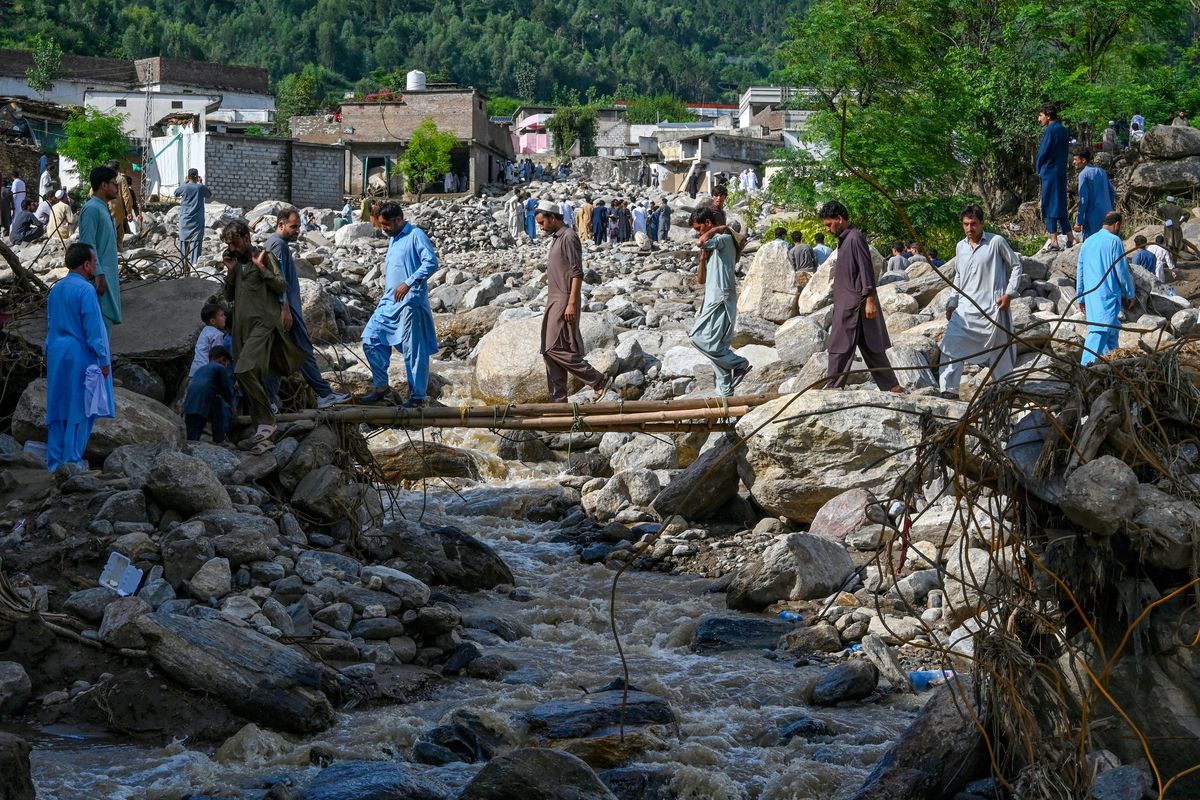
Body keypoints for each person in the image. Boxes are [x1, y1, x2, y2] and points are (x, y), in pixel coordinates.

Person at [221, 219, 306, 453]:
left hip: (263, 326)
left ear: (246, 239)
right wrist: (230, 272)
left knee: (243, 369)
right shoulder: (237, 263)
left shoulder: (265, 257)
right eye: (230, 245)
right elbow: (228, 295)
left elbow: (281, 286)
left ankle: (267, 420)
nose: (233, 249)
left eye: (236, 244)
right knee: (251, 377)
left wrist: (261, 268)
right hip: (241, 330)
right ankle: (264, 435)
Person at [264, 209, 351, 409]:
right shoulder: (277, 245)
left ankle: (270, 401)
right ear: (281, 225)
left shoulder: (275, 244)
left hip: (283, 309)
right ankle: (324, 394)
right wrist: (286, 309)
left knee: (278, 357)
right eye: (294, 226)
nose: (298, 231)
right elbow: (278, 280)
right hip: (287, 310)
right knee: (303, 351)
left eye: (298, 227)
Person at [937, 204, 1023, 399]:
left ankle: (1006, 393)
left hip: (993, 308)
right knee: (951, 344)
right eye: (966, 224)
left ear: (982, 223)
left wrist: (1009, 294)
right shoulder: (960, 247)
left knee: (1000, 353)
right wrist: (952, 302)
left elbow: (1016, 266)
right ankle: (948, 390)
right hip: (965, 310)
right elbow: (959, 276)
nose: (969, 229)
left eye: (973, 224)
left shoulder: (996, 242)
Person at [360, 203, 439, 408]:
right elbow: (375, 220)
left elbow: (430, 262)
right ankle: (381, 388)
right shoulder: (393, 236)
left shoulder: (415, 235)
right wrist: (374, 210)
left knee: (414, 350)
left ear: (398, 220)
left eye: (386, 224)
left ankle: (417, 397)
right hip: (390, 301)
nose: (383, 228)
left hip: (410, 302)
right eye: (381, 225)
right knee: (371, 338)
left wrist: (409, 282)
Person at [44, 243, 114, 472]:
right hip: (79, 353)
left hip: (56, 351)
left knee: (57, 404)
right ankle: (72, 461)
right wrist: (103, 359)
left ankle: (54, 462)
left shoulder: (56, 288)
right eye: (94, 262)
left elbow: (51, 322)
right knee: (81, 406)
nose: (95, 266)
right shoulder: (86, 290)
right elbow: (93, 328)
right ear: (86, 265)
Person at [819, 200, 902, 392]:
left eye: (829, 224)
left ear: (839, 219)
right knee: (871, 347)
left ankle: (833, 387)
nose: (828, 229)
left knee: (839, 347)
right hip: (850, 304)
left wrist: (870, 300)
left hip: (855, 305)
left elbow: (866, 270)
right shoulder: (846, 240)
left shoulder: (855, 238)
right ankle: (892, 386)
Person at [535, 199, 609, 403]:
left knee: (553, 348)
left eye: (542, 223)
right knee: (548, 352)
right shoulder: (557, 238)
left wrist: (571, 303)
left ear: (552, 218)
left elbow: (577, 273)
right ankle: (558, 403)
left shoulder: (568, 237)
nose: (540, 227)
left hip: (564, 299)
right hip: (554, 299)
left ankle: (597, 380)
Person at [689, 207, 751, 396]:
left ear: (708, 223)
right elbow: (700, 280)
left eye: (700, 228)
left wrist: (716, 229)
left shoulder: (724, 239)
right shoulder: (714, 244)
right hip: (712, 298)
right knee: (719, 349)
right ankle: (724, 393)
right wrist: (702, 259)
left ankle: (740, 363)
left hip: (721, 299)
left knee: (697, 338)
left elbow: (700, 242)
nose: (699, 233)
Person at [1076, 211, 1135, 365]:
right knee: (1099, 331)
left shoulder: (1087, 242)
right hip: (1106, 295)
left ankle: (1113, 365)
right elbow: (1122, 270)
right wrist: (1130, 293)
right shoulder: (1115, 241)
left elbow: (1080, 271)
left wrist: (1081, 297)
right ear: (1117, 225)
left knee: (1112, 331)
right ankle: (1085, 368)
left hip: (1091, 295)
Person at [78, 166, 122, 333]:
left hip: (108, 275)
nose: (116, 187)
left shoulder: (102, 208)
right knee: (98, 330)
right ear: (103, 185)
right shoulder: (91, 209)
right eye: (113, 183)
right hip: (100, 278)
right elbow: (88, 245)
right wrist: (99, 275)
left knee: (105, 329)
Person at [1036, 103, 1073, 251]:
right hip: (1060, 173)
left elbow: (1043, 152)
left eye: (1040, 116)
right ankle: (1071, 238)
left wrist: (1039, 168)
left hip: (1049, 172)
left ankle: (1054, 241)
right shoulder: (1064, 130)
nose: (1039, 119)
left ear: (1048, 115)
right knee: (1060, 203)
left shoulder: (1050, 130)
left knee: (1049, 204)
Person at [183, 345, 234, 443]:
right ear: (223, 359)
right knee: (218, 406)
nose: (227, 365)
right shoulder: (219, 368)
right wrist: (232, 404)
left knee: (192, 438)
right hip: (201, 405)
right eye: (227, 362)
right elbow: (225, 388)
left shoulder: (200, 370)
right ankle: (220, 439)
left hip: (189, 406)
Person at [1072, 148, 1116, 240]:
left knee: (1092, 243)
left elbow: (1084, 199)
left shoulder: (1083, 174)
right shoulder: (1101, 171)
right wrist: (1111, 209)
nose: (1073, 162)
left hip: (1092, 217)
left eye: (1075, 159)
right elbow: (1112, 191)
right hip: (1107, 214)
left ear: (1083, 160)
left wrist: (1079, 222)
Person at [174, 168, 212, 272]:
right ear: (197, 176)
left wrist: (184, 183)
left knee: (183, 243)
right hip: (197, 221)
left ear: (188, 177)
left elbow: (176, 193)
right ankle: (194, 268)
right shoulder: (200, 188)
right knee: (196, 244)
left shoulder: (184, 187)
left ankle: (183, 267)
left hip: (185, 220)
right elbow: (209, 194)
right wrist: (201, 183)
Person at [106, 160, 141, 251]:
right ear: (118, 169)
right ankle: (117, 254)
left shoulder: (103, 177)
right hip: (117, 211)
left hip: (105, 208)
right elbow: (126, 196)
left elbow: (91, 193)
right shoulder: (121, 179)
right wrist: (129, 212)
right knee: (118, 235)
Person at [190, 303, 228, 377]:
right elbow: (217, 356)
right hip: (206, 372)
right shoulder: (217, 335)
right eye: (221, 315)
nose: (225, 317)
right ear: (213, 321)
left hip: (195, 370)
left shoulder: (205, 331)